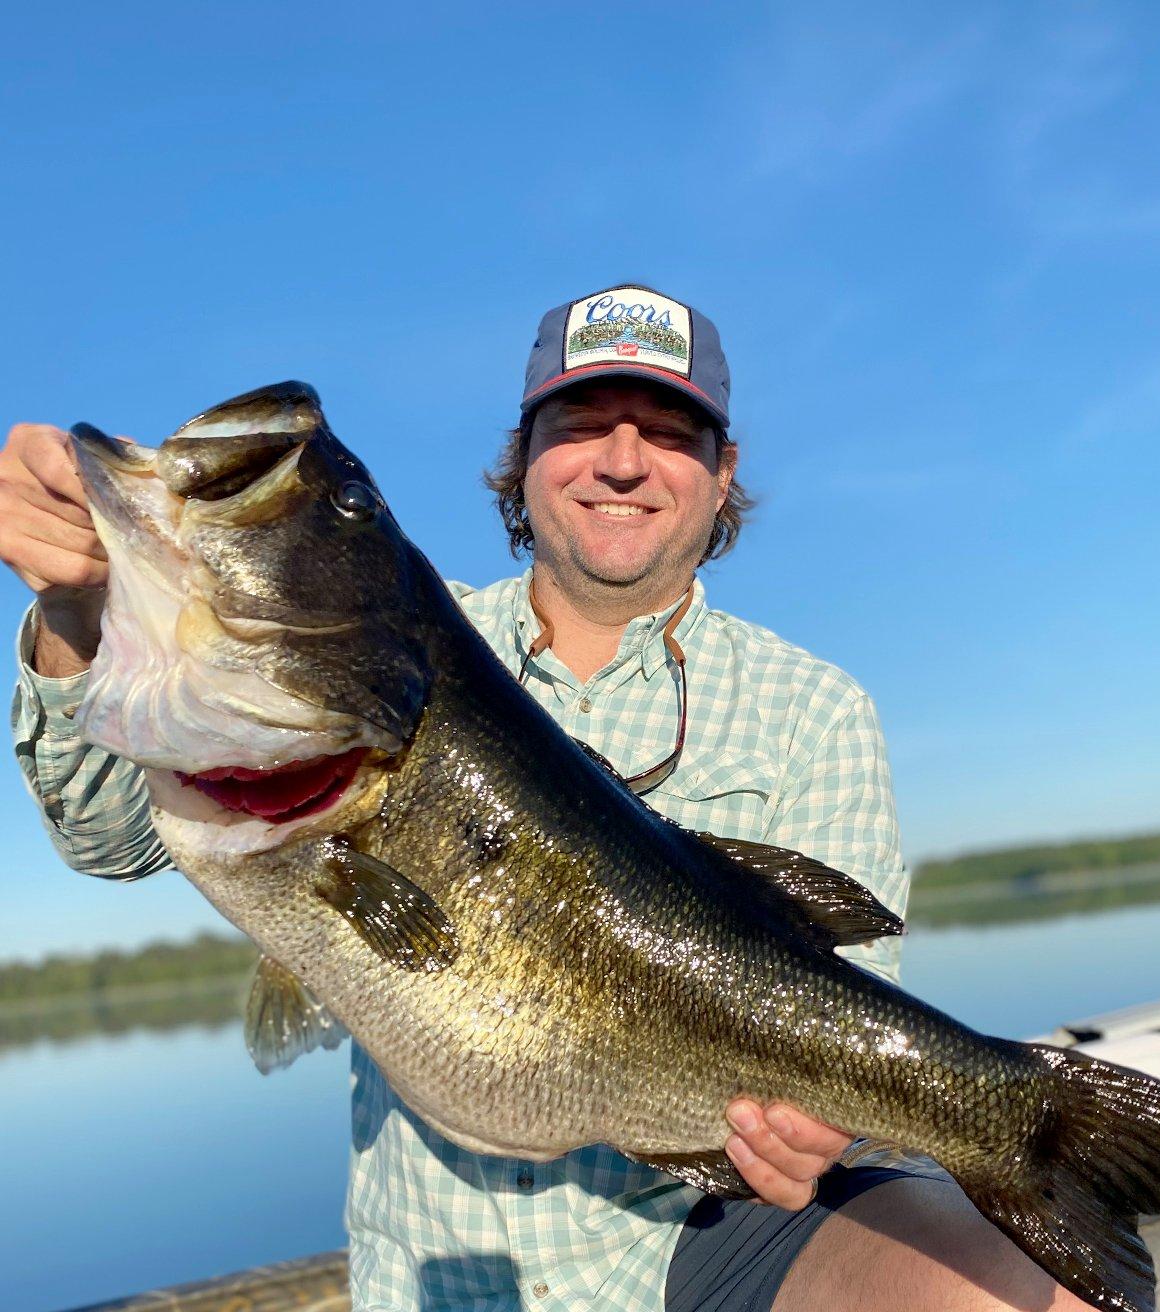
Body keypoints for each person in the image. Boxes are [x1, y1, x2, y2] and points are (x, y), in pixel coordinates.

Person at [2, 285, 1087, 1311]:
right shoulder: (417, 640)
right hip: (437, 1255)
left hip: (712, 1228)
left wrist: (824, 1131)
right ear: (521, 461)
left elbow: (850, 1012)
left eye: (669, 429)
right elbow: (105, 837)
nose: (623, 459)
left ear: (722, 471)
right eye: (582, 421)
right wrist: (74, 612)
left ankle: (1028, 1126)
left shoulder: (818, 708)